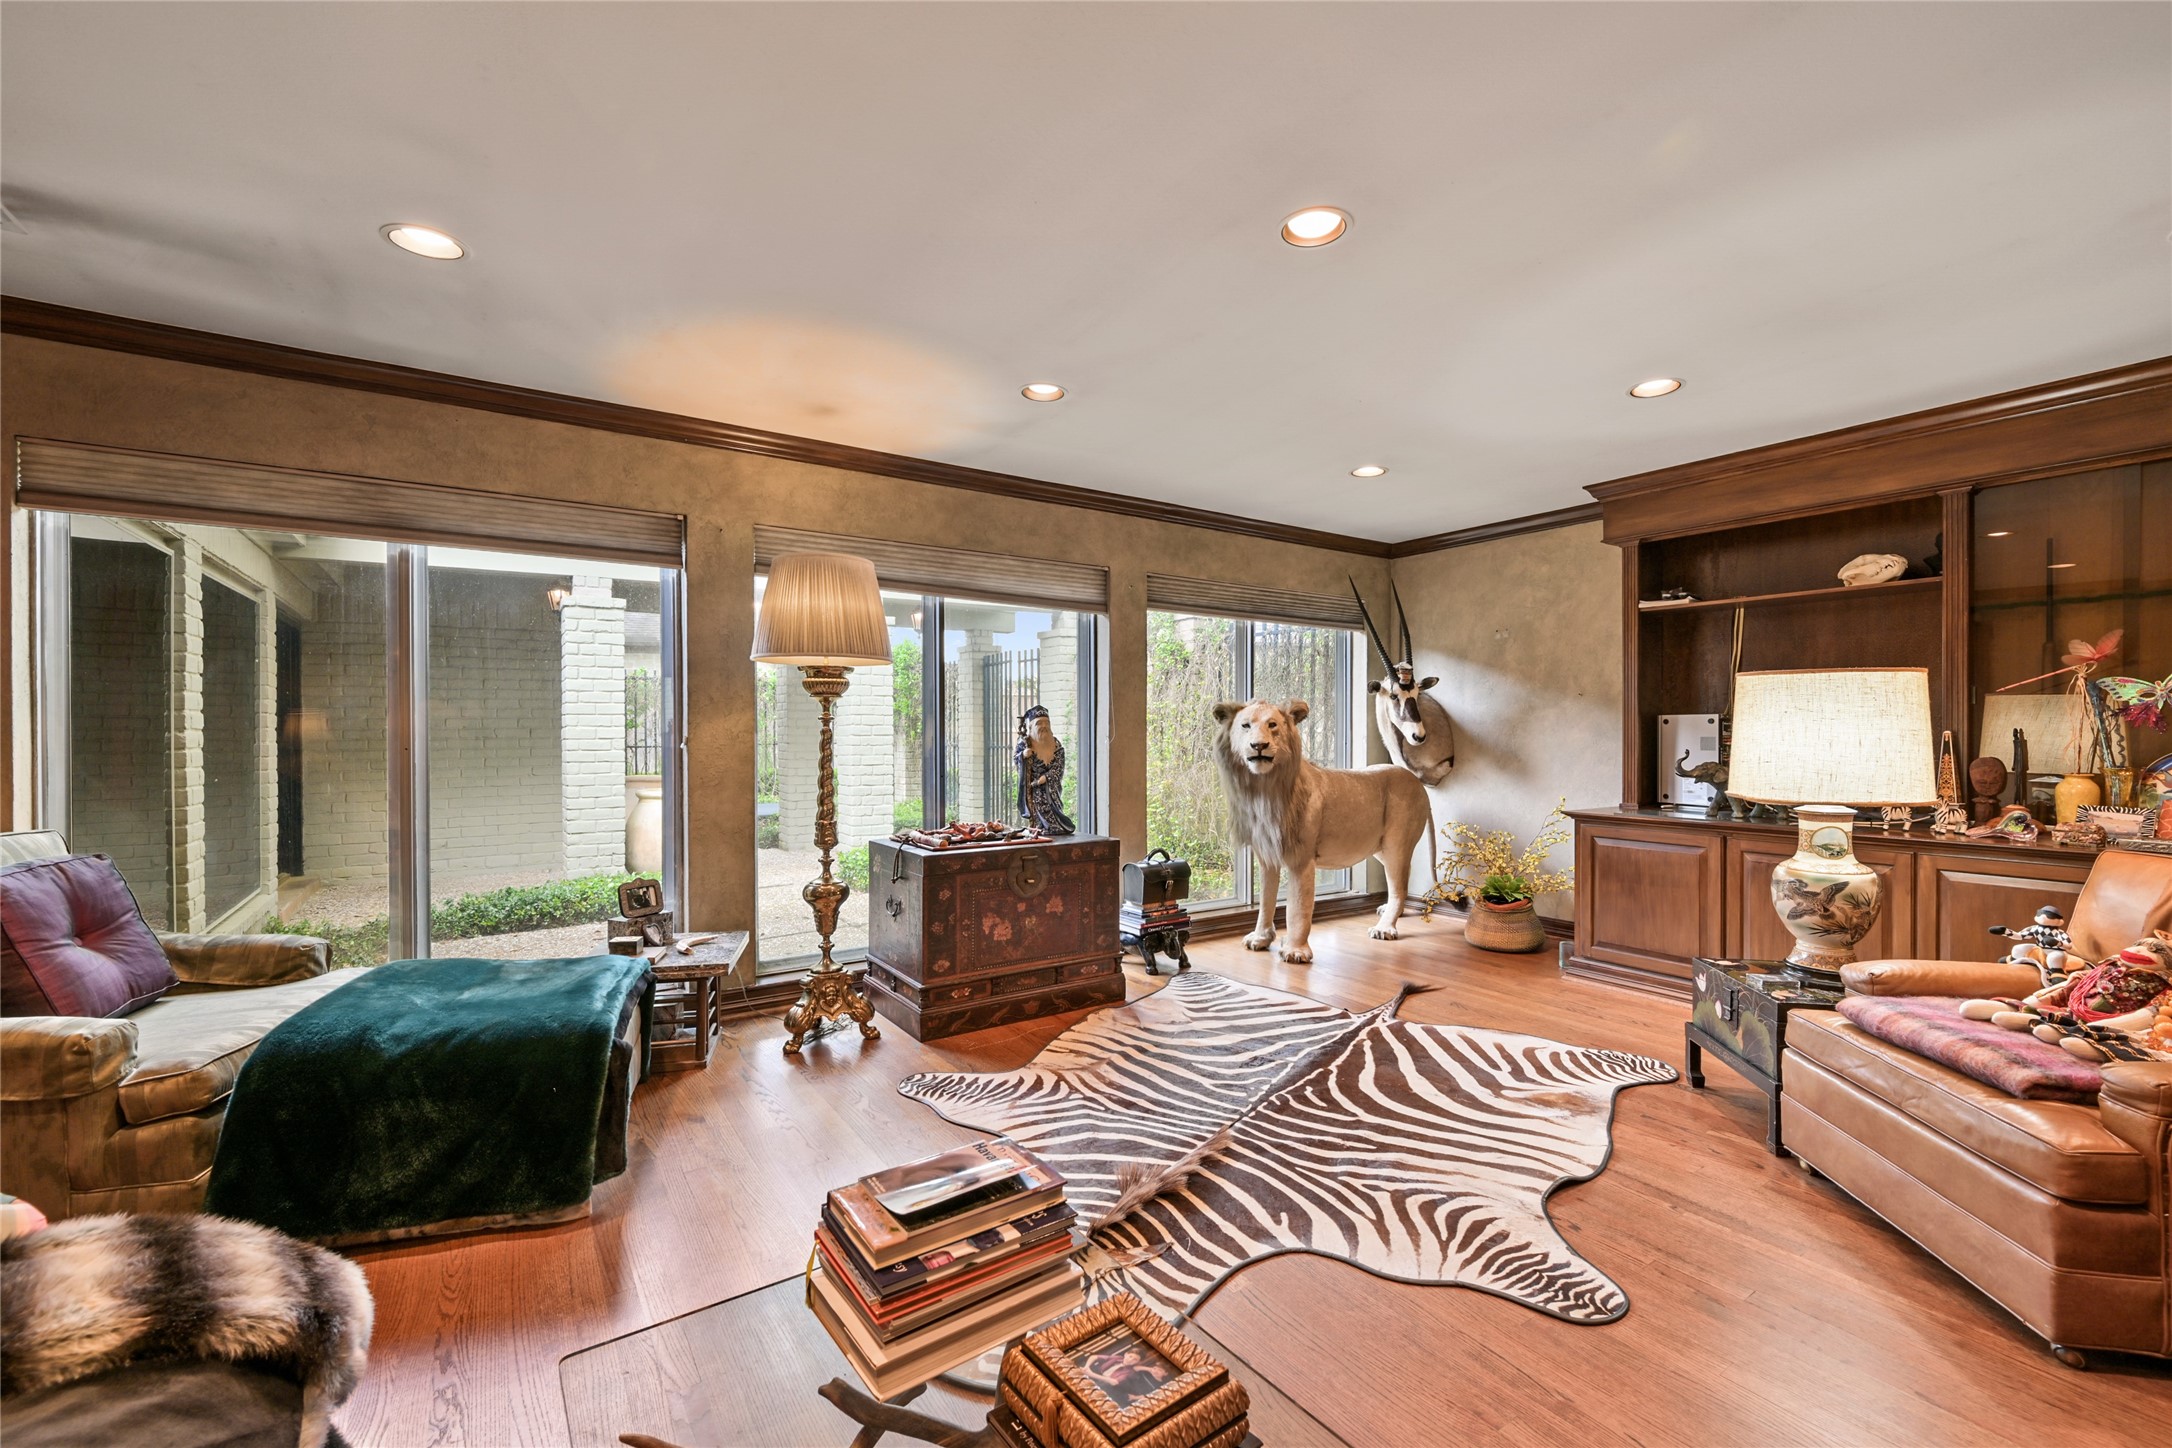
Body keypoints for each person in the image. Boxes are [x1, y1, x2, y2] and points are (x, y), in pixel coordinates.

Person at [1014, 705, 1076, 836]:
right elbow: (1017, 759)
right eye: (1039, 723)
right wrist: (1024, 755)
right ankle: (1039, 827)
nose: (1043, 726)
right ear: (1030, 727)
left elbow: (1059, 766)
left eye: (1046, 723)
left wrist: (1046, 777)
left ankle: (1055, 827)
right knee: (1037, 811)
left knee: (1055, 810)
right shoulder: (1025, 743)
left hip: (1051, 788)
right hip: (1034, 790)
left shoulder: (1056, 744)